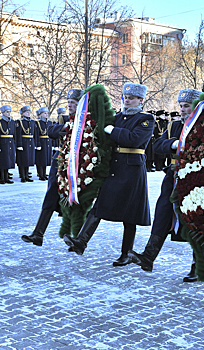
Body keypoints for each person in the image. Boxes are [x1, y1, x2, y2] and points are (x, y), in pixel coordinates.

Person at [63, 82, 155, 266]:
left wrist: (113, 131)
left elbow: (134, 140)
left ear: (140, 100)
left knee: (130, 215)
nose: (127, 100)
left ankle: (126, 253)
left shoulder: (146, 119)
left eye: (131, 98)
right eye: (125, 97)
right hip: (114, 168)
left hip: (132, 169)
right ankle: (81, 242)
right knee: (100, 205)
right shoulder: (118, 117)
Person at [131, 88, 201, 281]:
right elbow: (157, 145)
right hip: (172, 175)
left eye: (186, 106)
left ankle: (198, 265)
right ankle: (148, 256)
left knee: (196, 221)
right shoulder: (174, 126)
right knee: (162, 213)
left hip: (197, 179)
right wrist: (172, 144)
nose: (182, 109)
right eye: (181, 105)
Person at [22, 88, 83, 246]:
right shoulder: (64, 118)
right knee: (50, 196)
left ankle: (76, 238)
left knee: (74, 199)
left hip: (78, 164)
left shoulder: (87, 119)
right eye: (68, 102)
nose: (70, 105)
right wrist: (65, 128)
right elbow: (51, 131)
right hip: (60, 161)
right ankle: (38, 234)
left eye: (73, 103)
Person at [15, 106, 38, 183]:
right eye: (26, 112)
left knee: (28, 159)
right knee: (22, 160)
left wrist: (35, 143)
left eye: (29, 112)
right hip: (23, 142)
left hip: (30, 141)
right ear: (22, 113)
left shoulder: (32, 122)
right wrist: (19, 144)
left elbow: (34, 134)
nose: (28, 113)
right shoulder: (19, 122)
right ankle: (22, 176)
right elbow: (18, 134)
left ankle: (27, 175)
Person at [0, 105, 15, 184]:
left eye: (9, 112)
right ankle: (2, 178)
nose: (8, 113)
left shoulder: (12, 121)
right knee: (2, 161)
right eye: (7, 112)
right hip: (3, 143)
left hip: (10, 143)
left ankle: (7, 177)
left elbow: (14, 134)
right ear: (3, 113)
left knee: (8, 161)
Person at [35, 106, 53, 181]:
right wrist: (37, 144)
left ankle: (44, 173)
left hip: (48, 142)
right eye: (44, 113)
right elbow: (36, 134)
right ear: (41, 114)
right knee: (40, 159)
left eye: (47, 113)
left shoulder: (49, 122)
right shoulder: (38, 123)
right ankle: (40, 174)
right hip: (41, 142)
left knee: (46, 159)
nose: (46, 115)